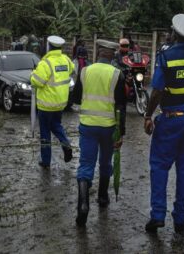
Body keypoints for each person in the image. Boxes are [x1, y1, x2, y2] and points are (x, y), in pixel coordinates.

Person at [144, 3, 184, 235]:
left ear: (173, 33)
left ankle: (158, 215)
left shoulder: (166, 56)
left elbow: (158, 91)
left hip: (171, 120)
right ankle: (179, 218)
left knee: (159, 166)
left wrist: (148, 114)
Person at [73, 40, 126, 227]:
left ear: (98, 54)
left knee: (86, 164)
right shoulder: (117, 74)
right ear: (112, 56)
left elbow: (76, 98)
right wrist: (121, 133)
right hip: (109, 127)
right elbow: (121, 106)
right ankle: (103, 197)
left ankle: (83, 205)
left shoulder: (85, 71)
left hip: (87, 125)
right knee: (105, 162)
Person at [30, 35, 75, 168]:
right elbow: (72, 69)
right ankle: (66, 144)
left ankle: (46, 161)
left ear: (49, 46)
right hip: (60, 103)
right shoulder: (66, 60)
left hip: (46, 105)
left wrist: (32, 74)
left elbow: (37, 81)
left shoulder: (45, 63)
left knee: (45, 132)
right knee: (56, 125)